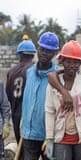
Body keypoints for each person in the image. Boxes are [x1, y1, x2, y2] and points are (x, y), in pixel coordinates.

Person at [21, 31, 59, 160]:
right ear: (38, 48)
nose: (44, 53)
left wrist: (51, 137)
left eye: (49, 51)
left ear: (54, 53)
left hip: (49, 136)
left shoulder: (58, 76)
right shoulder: (29, 73)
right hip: (29, 134)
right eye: (42, 49)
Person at [6, 39, 36, 145]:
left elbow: (8, 95)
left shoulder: (11, 71)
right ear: (33, 55)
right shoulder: (34, 70)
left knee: (21, 147)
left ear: (20, 55)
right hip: (32, 116)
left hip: (16, 115)